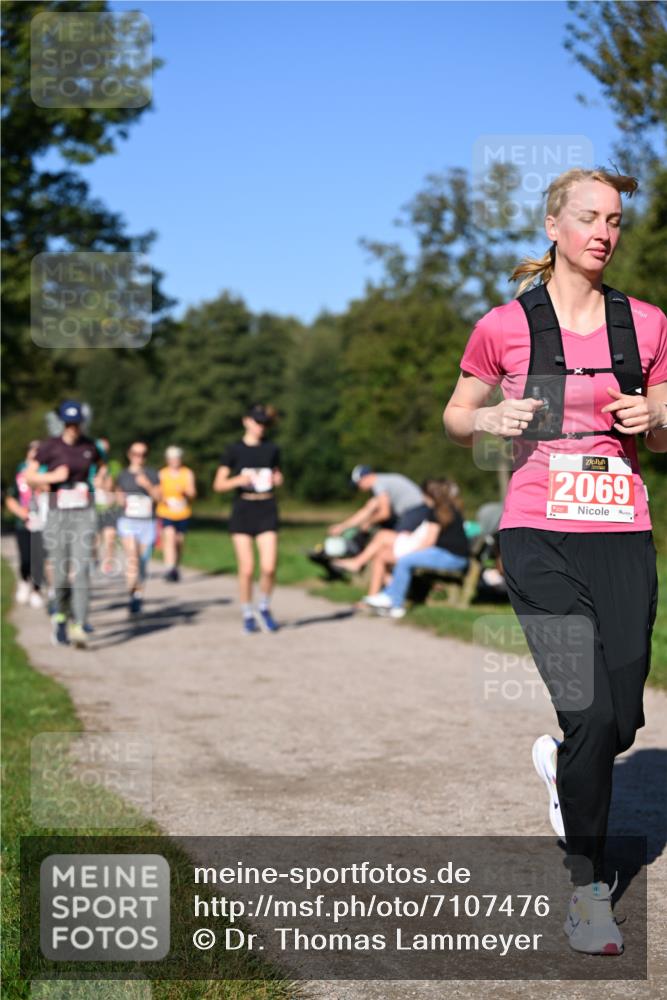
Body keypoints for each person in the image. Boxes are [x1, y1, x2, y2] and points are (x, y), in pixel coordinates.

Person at [443, 167, 667, 956]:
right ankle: (588, 889)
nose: (603, 232)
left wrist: (658, 411)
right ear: (552, 227)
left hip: (621, 528)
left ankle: (560, 763)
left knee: (622, 713)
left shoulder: (645, 323)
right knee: (591, 713)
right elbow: (457, 413)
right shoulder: (503, 325)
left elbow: (664, 432)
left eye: (613, 220)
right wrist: (489, 417)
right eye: (587, 218)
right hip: (536, 528)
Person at [25, 401, 106, 647]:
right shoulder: (49, 447)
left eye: (77, 424)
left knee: (81, 570)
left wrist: (101, 480)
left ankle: (79, 623)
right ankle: (60, 614)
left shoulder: (90, 446)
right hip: (58, 514)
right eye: (69, 424)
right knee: (60, 576)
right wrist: (51, 477)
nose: (73, 428)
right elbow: (29, 477)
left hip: (84, 513)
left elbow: (102, 468)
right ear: (62, 423)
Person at [213, 404, 282, 634]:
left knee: (269, 566)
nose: (260, 427)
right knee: (247, 568)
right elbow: (219, 484)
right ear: (246, 421)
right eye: (256, 422)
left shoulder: (272, 449)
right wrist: (238, 480)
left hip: (267, 506)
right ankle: (247, 612)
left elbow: (277, 473)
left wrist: (276, 478)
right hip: (243, 508)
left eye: (264, 423)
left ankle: (263, 606)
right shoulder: (234, 450)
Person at [362, 479, 470, 616]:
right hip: (455, 556)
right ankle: (388, 595)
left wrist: (407, 553)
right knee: (404, 559)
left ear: (428, 495)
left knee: (405, 561)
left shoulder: (436, 512)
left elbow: (428, 542)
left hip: (451, 557)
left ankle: (395, 605)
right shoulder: (449, 509)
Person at [330, 467, 431, 575]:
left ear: (365, 478)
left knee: (396, 545)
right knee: (390, 543)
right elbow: (366, 511)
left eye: (358, 484)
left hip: (416, 511)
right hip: (415, 511)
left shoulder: (379, 484)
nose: (359, 488)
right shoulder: (383, 482)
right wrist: (343, 526)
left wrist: (369, 522)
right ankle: (387, 576)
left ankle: (361, 564)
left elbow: (384, 513)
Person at [115, 442, 161, 615]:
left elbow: (159, 497)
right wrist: (120, 499)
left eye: (143, 454)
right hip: (128, 521)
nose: (139, 457)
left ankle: (138, 594)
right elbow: (118, 498)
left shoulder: (152, 473)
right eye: (136, 453)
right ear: (129, 454)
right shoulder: (122, 475)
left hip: (147, 523)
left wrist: (147, 484)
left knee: (142, 562)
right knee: (132, 558)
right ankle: (132, 595)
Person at [5, 441, 48, 609]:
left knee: (38, 558)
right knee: (25, 558)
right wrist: (20, 512)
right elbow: (10, 497)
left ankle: (36, 590)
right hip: (23, 521)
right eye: (33, 451)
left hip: (41, 520)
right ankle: (24, 580)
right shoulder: (19, 471)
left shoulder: (45, 471)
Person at [156, 446, 196, 582]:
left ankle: (175, 567)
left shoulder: (187, 473)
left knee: (179, 542)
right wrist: (165, 499)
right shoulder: (162, 473)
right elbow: (158, 493)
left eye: (177, 458)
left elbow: (192, 492)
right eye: (172, 458)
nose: (174, 461)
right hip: (166, 511)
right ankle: (169, 568)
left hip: (182, 512)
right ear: (168, 460)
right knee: (170, 537)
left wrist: (185, 492)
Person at [93, 437, 123, 576]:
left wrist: (103, 478)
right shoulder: (89, 466)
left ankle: (108, 563)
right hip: (93, 508)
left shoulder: (113, 466)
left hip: (109, 507)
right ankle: (94, 560)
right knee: (94, 539)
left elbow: (111, 487)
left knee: (110, 537)